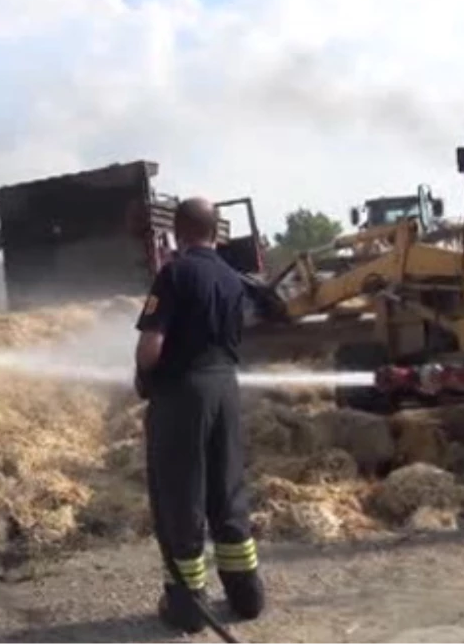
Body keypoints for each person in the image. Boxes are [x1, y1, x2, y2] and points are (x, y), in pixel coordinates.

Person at [133, 197, 265, 634]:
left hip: (183, 394)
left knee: (181, 495)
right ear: (217, 230)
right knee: (227, 489)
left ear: (178, 229)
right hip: (226, 388)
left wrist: (143, 378)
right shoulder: (232, 279)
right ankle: (246, 595)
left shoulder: (173, 274)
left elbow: (151, 346)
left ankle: (188, 606)